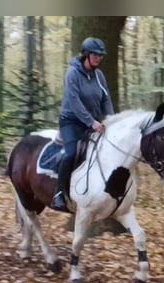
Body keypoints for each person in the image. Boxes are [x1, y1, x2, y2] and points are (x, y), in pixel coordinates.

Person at [51, 37, 115, 212]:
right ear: (86, 54)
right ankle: (59, 193)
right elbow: (74, 102)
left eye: (101, 55)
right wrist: (91, 122)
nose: (99, 58)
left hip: (92, 122)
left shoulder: (99, 76)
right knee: (71, 153)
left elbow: (106, 99)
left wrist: (112, 120)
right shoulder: (72, 74)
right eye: (95, 54)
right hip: (71, 121)